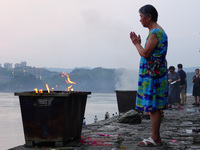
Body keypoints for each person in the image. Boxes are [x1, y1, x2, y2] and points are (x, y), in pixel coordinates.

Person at [130, 4, 168, 147]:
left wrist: (136, 43)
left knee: (153, 107)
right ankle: (156, 137)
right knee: (155, 106)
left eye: (141, 16)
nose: (140, 20)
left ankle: (154, 137)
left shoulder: (155, 33)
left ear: (149, 17)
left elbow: (145, 53)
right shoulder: (159, 32)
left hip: (153, 76)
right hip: (157, 73)